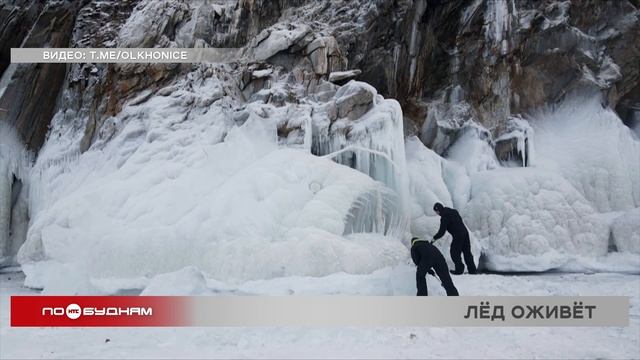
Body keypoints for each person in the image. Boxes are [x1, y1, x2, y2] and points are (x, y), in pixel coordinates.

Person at [432, 202, 477, 275]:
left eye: (436, 212)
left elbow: (441, 232)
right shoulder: (453, 211)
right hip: (465, 233)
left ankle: (459, 269)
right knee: (467, 252)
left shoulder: (444, 217)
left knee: (454, 253)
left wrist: (434, 239)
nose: (437, 214)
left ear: (438, 211)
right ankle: (472, 270)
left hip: (458, 235)